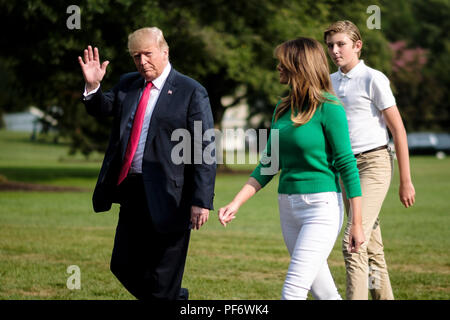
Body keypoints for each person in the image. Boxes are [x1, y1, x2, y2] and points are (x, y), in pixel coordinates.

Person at [218, 37, 364, 300]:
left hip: (321, 208)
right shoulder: (283, 107)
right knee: (325, 294)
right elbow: (268, 165)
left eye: (282, 62)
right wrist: (236, 203)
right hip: (288, 207)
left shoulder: (329, 108)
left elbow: (347, 164)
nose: (278, 67)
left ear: (300, 65)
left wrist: (357, 223)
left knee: (293, 291)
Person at [78, 27, 216, 300]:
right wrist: (93, 87)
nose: (142, 62)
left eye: (148, 54)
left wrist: (201, 199)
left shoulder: (191, 91)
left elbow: (204, 148)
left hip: (172, 196)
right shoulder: (129, 83)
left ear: (165, 51)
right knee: (122, 265)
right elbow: (103, 108)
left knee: (164, 275)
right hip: (132, 191)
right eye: (136, 56)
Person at [323, 20, 416, 300]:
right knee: (371, 247)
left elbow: (398, 130)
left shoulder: (373, 78)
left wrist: (406, 181)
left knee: (353, 240)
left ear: (357, 46)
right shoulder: (328, 81)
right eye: (330, 45)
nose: (335, 50)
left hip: (374, 164)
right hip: (344, 169)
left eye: (341, 44)